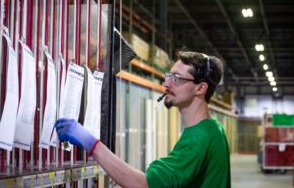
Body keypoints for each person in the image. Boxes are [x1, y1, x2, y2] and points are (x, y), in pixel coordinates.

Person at [55, 51, 231, 187]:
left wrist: (91, 144)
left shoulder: (200, 137)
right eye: (169, 76)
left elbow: (144, 185)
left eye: (177, 78)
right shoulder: (213, 128)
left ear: (200, 88)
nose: (166, 84)